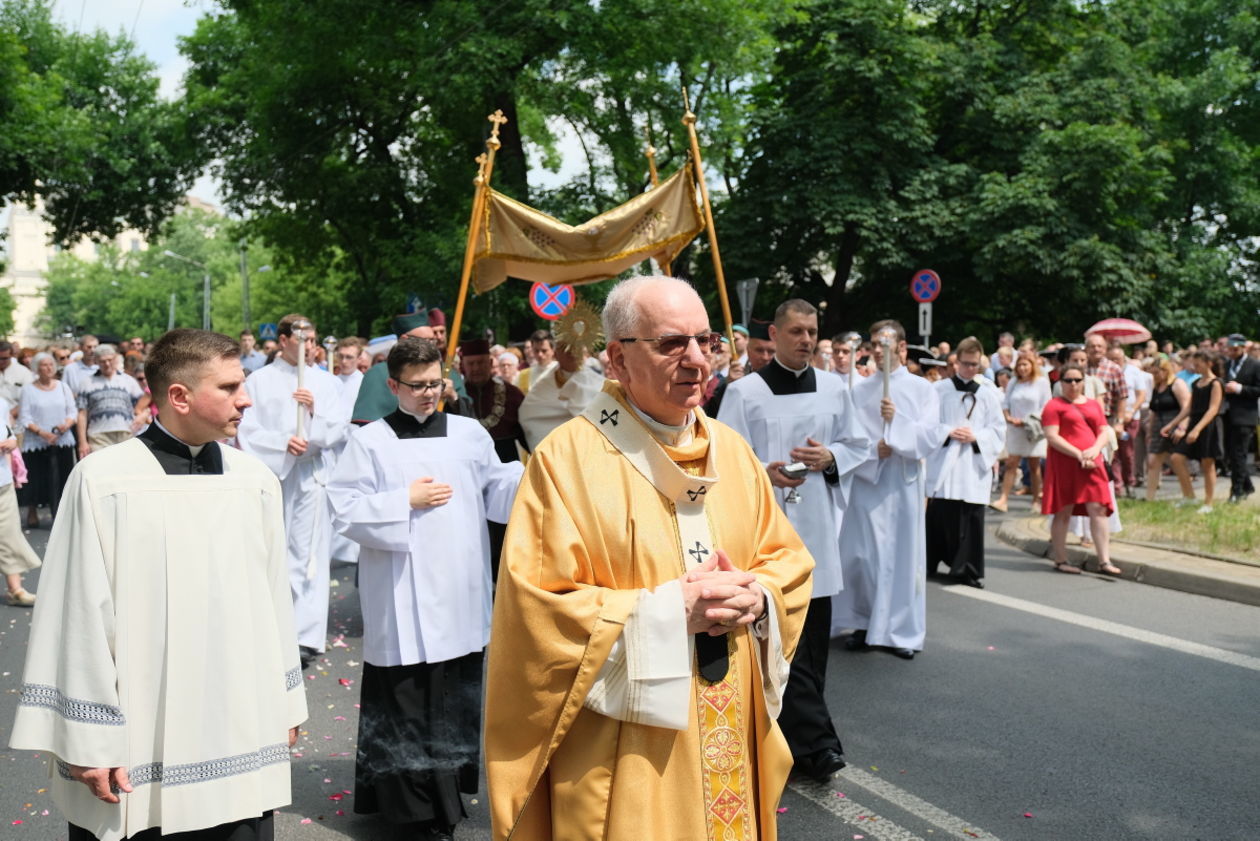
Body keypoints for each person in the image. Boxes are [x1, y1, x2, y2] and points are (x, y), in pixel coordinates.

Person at [485, 276, 813, 841]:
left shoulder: (732, 452)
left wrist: (758, 596)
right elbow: (538, 611)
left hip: (727, 722)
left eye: (705, 341)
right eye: (670, 344)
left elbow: (784, 558)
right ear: (616, 358)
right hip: (626, 748)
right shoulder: (567, 462)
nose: (696, 360)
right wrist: (666, 612)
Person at [10, 328, 307, 841]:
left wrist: (285, 702)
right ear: (179, 397)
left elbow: (274, 600)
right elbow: (77, 615)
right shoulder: (104, 480)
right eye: (231, 387)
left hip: (240, 721)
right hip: (139, 738)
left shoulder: (253, 480)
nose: (247, 399)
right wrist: (88, 738)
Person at [327, 338, 522, 841]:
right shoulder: (370, 441)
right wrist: (401, 501)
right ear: (393, 386)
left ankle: (448, 793)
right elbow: (344, 507)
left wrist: (532, 476)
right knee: (407, 698)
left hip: (458, 583)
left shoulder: (467, 433)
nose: (428, 393)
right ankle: (410, 810)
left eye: (435, 383)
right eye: (416, 386)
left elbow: (497, 490)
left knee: (455, 693)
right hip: (401, 589)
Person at [717, 298, 868, 783]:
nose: (806, 339)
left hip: (818, 524)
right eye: (797, 331)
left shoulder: (834, 388)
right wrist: (767, 471)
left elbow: (857, 445)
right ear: (776, 336)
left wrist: (830, 455)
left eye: (813, 331)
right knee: (784, 639)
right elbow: (727, 458)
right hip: (767, 527)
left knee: (813, 641)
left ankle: (793, 741)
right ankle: (820, 744)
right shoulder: (745, 393)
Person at [237, 314, 350, 667]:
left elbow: (340, 428)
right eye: (303, 340)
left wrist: (314, 415)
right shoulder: (258, 381)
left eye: (314, 340)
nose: (311, 347)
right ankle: (272, 627)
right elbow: (247, 428)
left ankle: (304, 634)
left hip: (310, 475)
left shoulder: (326, 382)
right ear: (283, 340)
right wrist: (282, 443)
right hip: (273, 473)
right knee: (271, 549)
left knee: (307, 554)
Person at [833, 320, 940, 660]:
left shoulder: (923, 389)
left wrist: (898, 423)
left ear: (902, 348)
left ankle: (900, 631)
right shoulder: (860, 390)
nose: (878, 351)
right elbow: (847, 437)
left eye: (885, 344)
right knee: (862, 557)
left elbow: (931, 435)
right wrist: (870, 451)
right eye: (874, 344)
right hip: (868, 482)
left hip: (902, 482)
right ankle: (863, 623)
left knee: (902, 558)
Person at [925, 337, 1005, 588]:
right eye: (966, 364)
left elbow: (997, 429)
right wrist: (947, 432)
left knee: (970, 516)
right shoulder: (939, 390)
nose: (970, 369)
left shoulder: (988, 394)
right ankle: (931, 562)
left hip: (972, 462)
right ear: (956, 363)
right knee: (941, 514)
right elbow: (927, 424)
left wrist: (976, 437)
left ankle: (966, 568)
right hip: (946, 460)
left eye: (975, 365)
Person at [1040, 364, 1121, 575]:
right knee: (1063, 510)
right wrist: (1078, 453)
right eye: (1068, 380)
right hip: (1066, 463)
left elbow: (1104, 430)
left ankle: (1104, 561)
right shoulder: (1053, 405)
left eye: (1077, 380)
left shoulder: (1094, 405)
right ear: (1061, 382)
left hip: (1093, 463)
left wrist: (1093, 450)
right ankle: (1060, 559)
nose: (1073, 384)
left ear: (1084, 381)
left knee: (1098, 508)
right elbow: (1052, 436)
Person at [519, 306, 606, 451]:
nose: (571, 353)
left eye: (576, 347)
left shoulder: (598, 382)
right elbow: (527, 414)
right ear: (556, 353)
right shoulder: (545, 383)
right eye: (565, 348)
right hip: (557, 452)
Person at [352, 316, 466, 425]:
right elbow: (368, 424)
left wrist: (453, 397)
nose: (431, 346)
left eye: (433, 341)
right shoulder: (377, 373)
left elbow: (467, 417)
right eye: (425, 340)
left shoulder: (447, 371)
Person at [17, 353, 77, 528]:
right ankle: (32, 510)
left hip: (62, 439)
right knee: (36, 477)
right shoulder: (28, 390)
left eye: (51, 364)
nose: (49, 368)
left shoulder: (62, 387)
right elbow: (24, 417)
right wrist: (43, 433)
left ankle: (58, 512)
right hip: (37, 441)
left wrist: (66, 425)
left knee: (61, 477)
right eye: (44, 365)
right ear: (37, 368)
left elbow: (72, 411)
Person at [1165, 350, 1225, 513]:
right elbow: (1189, 408)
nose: (1195, 366)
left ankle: (1208, 502)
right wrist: (1172, 424)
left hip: (1209, 426)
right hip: (1194, 424)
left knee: (1207, 464)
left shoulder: (1216, 383)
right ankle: (1189, 496)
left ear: (1209, 363)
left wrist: (1197, 430)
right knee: (1176, 458)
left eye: (1198, 363)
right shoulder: (1196, 383)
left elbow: (1213, 409)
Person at [992, 354, 1051, 511]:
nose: (1023, 368)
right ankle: (1003, 499)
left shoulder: (1041, 383)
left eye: (1026, 364)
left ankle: (1036, 500)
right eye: (1020, 365)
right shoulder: (1013, 382)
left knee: (1034, 465)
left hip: (1032, 428)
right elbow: (1006, 402)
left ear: (1032, 365)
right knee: (1011, 463)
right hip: (1015, 428)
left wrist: (1026, 420)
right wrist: (1008, 417)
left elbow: (1046, 406)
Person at [461, 338, 527, 463]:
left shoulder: (512, 393)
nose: (476, 368)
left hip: (505, 460)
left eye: (480, 362)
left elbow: (528, 433)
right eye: (471, 363)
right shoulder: (456, 396)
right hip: (467, 460)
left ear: (490, 363)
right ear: (463, 365)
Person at [75, 345, 148, 458]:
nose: (107, 364)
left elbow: (145, 404)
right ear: (96, 362)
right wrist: (82, 442)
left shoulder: (128, 381)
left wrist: (143, 415)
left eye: (110, 360)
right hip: (98, 436)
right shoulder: (87, 383)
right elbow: (82, 414)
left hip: (125, 433)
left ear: (115, 359)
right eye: (103, 361)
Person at [1145, 356, 1191, 501]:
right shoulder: (1157, 387)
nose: (1154, 376)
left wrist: (1182, 427)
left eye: (1156, 373)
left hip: (1175, 425)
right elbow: (1153, 410)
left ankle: (1189, 495)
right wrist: (1149, 430)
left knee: (1177, 462)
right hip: (1159, 427)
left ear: (1165, 371)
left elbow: (1187, 408)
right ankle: (1150, 498)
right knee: (1153, 461)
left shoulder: (1177, 384)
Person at [1222, 334, 1260, 503]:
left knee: (1239, 454)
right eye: (1229, 349)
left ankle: (1236, 491)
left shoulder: (1255, 365)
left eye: (1235, 349)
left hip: (1246, 415)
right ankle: (1248, 485)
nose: (1231, 352)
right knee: (1231, 454)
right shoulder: (1227, 364)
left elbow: (1258, 389)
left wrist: (1239, 389)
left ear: (1243, 348)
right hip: (1228, 414)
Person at [515, 329, 556, 394]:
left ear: (553, 350)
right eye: (536, 351)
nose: (540, 354)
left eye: (544, 351)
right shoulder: (523, 376)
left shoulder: (562, 372)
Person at [0, 340, 34, 407]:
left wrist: (13, 413)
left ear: (12, 355)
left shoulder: (23, 372)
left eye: (4, 358)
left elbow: (30, 398)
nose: (0, 362)